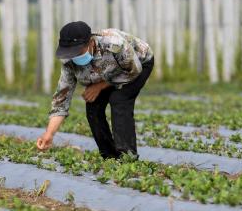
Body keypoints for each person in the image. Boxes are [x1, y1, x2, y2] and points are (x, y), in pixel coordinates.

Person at [36, 21, 155, 159]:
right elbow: (62, 99)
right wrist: (49, 134)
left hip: (137, 65)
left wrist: (100, 86)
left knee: (119, 100)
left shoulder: (114, 44)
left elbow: (133, 71)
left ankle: (127, 157)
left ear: (91, 43)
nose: (74, 56)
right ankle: (110, 157)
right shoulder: (68, 62)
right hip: (104, 73)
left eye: (77, 52)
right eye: (70, 53)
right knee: (93, 106)